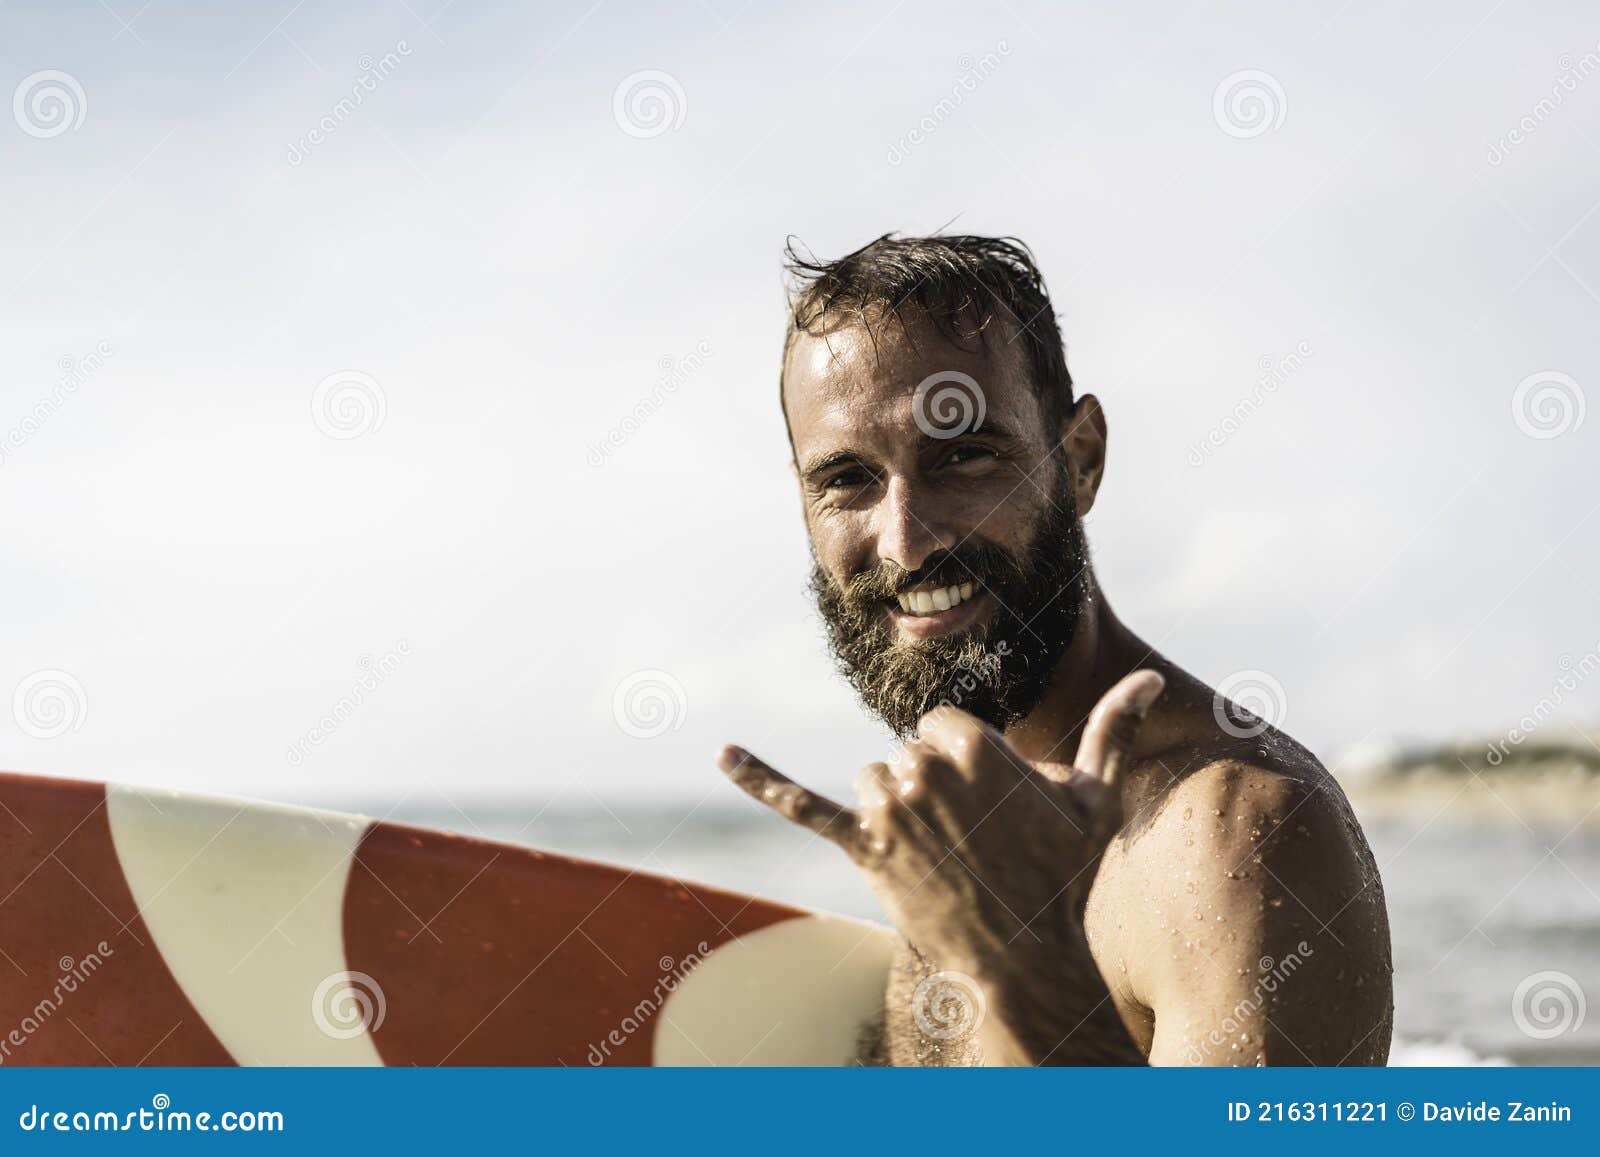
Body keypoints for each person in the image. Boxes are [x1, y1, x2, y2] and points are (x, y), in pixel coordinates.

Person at [716, 233, 1393, 1066]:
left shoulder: (1235, 841)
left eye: (963, 456)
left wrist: (1022, 965)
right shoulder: (960, 817)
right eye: (848, 478)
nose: (906, 542)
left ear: (1080, 461)